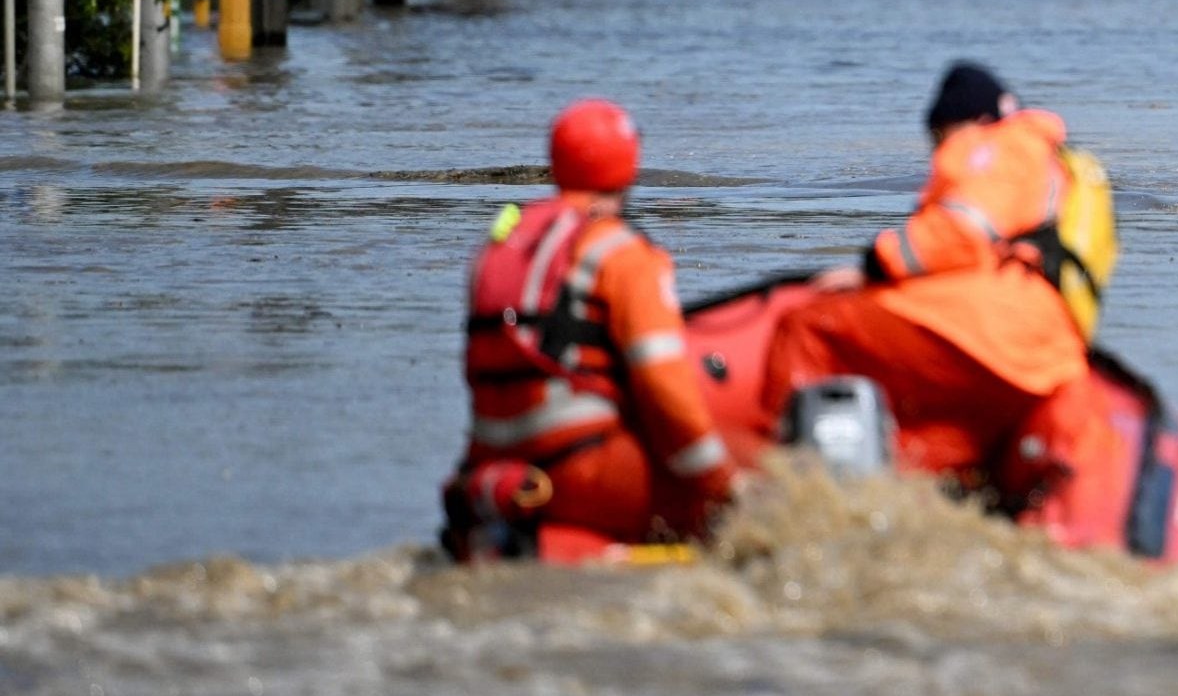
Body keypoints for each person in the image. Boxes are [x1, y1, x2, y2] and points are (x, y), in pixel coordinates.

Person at [762, 65, 1121, 518]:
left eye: (937, 136)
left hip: (992, 330)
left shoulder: (998, 146)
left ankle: (778, 491)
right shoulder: (1048, 160)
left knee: (807, 325)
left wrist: (876, 266)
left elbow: (961, 229)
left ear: (964, 122)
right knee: (935, 445)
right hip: (1043, 353)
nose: (936, 150)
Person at [446, 100, 734, 554]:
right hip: (582, 471)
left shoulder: (499, 246)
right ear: (630, 163)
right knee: (749, 483)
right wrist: (721, 482)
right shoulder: (620, 252)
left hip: (490, 474)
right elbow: (664, 384)